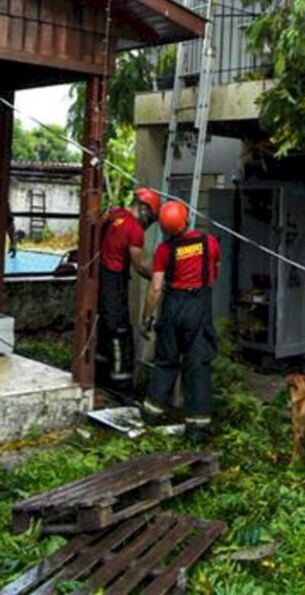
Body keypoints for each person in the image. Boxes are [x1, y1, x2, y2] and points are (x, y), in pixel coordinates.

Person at [141, 200, 220, 443]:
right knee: (197, 364)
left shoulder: (164, 251)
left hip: (173, 306)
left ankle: (152, 415)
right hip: (199, 305)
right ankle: (197, 427)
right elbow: (215, 270)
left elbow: (155, 288)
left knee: (166, 360)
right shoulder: (210, 243)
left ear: (165, 229)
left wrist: (147, 317)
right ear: (186, 219)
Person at [97, 187, 160, 387]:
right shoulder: (135, 229)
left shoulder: (116, 214)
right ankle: (120, 382)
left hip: (100, 276)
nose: (149, 221)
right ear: (144, 209)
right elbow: (140, 264)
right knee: (119, 330)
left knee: (104, 327)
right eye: (150, 215)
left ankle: (100, 375)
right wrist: (159, 278)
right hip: (114, 280)